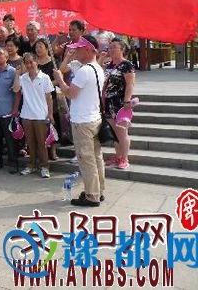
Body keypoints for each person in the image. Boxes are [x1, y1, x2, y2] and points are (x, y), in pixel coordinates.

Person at [54, 35, 105, 207]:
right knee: (96, 157)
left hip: (83, 122)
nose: (76, 51)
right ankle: (98, 190)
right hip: (93, 118)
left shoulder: (84, 71)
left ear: (89, 50)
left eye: (79, 48)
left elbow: (70, 93)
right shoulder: (97, 68)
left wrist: (59, 80)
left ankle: (92, 195)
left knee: (86, 160)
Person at [17, 53, 54, 178]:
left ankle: (44, 167)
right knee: (30, 143)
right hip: (26, 115)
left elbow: (49, 97)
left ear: (36, 62)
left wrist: (50, 114)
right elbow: (16, 89)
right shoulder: (23, 78)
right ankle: (31, 165)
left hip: (41, 116)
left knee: (42, 143)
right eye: (26, 63)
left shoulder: (45, 77)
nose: (29, 65)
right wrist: (17, 74)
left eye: (31, 62)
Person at [101, 38, 136, 169]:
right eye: (110, 47)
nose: (111, 49)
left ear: (122, 49)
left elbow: (130, 84)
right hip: (107, 103)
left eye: (114, 47)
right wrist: (101, 58)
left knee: (121, 132)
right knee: (114, 133)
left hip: (119, 103)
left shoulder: (127, 65)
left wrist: (127, 100)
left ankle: (124, 158)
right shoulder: (109, 65)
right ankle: (118, 155)